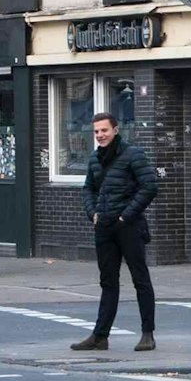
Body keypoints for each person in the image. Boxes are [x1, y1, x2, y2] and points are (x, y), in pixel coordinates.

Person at [70, 112, 158, 353]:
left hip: (129, 226)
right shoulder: (95, 159)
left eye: (104, 130)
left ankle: (147, 334)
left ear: (116, 130)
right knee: (108, 282)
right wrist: (93, 214)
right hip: (104, 227)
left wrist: (125, 215)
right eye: (96, 131)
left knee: (140, 279)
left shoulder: (133, 154)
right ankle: (100, 336)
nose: (100, 135)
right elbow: (88, 189)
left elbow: (150, 186)